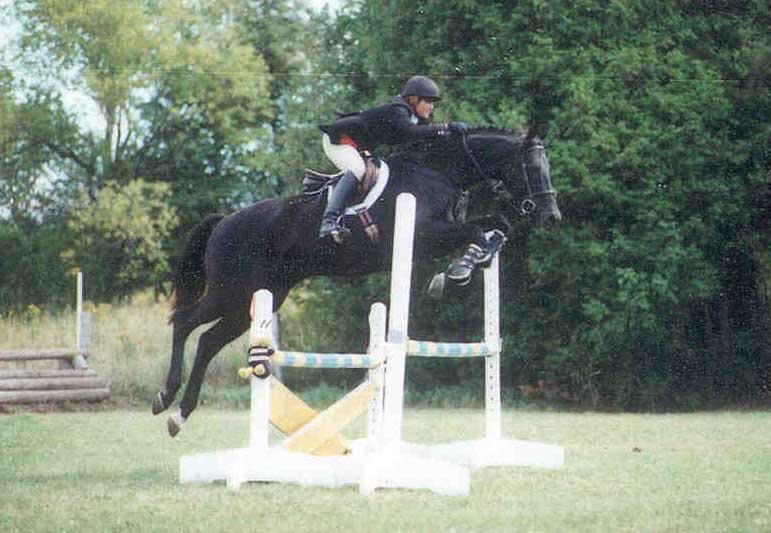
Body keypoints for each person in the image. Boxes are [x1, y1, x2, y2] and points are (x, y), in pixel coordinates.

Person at [317, 75, 468, 241]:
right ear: (414, 99)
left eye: (432, 103)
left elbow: (425, 138)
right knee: (358, 169)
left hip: (358, 146)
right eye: (428, 102)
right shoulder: (397, 110)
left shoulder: (414, 117)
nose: (431, 107)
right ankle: (329, 222)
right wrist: (446, 126)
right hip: (339, 141)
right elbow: (410, 132)